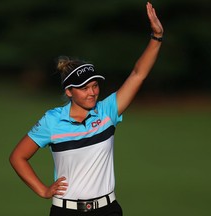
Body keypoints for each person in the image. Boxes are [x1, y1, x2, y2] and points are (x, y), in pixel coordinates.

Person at [9, 2, 163, 216]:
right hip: (66, 211)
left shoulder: (108, 110)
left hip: (108, 210)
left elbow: (138, 74)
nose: (92, 92)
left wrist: (156, 38)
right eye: (84, 88)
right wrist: (43, 190)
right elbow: (18, 157)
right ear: (69, 91)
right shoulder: (52, 120)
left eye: (95, 86)